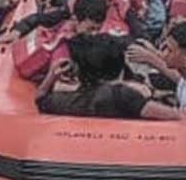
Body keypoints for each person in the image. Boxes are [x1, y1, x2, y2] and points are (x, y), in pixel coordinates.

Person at [35, 32, 173, 119]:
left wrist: (51, 76)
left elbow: (41, 99)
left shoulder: (75, 101)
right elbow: (176, 116)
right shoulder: (124, 95)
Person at [13, 0, 118, 85]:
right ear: (76, 19)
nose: (94, 34)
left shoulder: (67, 24)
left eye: (97, 29)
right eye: (90, 29)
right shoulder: (65, 47)